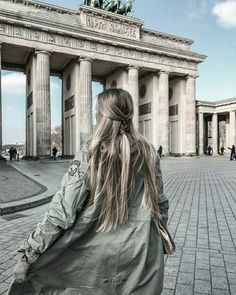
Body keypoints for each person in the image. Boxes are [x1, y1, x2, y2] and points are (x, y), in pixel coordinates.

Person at [8, 89, 169, 295]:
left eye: (96, 109)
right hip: (142, 249)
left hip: (94, 254)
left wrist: (29, 252)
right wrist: (159, 239)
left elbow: (63, 211)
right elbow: (160, 203)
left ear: (101, 113)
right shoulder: (148, 150)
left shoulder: (91, 151)